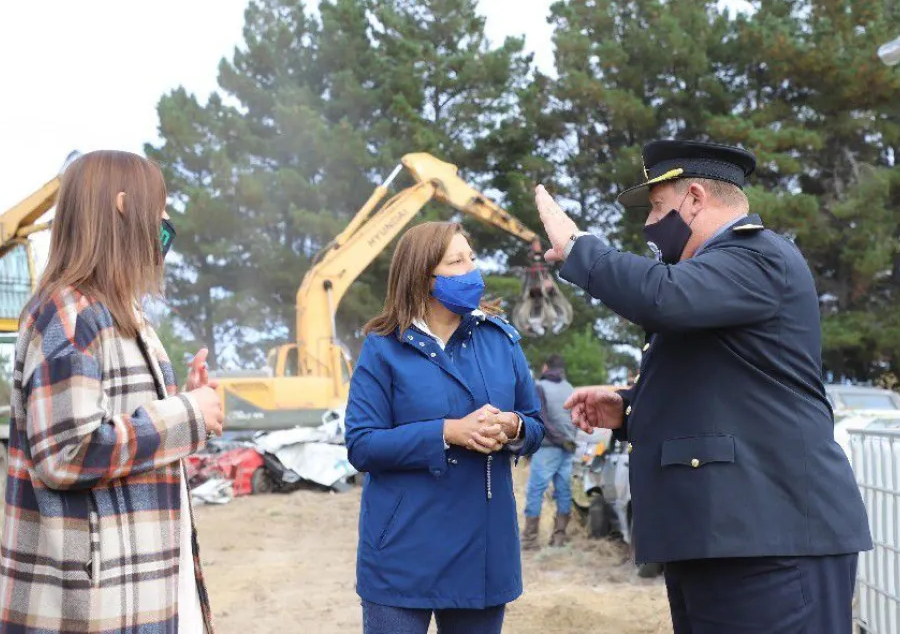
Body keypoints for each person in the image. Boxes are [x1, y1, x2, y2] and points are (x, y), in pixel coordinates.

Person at [534, 139, 872, 634]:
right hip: (726, 537)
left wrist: (581, 249)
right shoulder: (715, 277)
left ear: (694, 197)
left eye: (656, 207)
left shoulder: (757, 257)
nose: (649, 225)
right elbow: (720, 386)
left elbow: (663, 298)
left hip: (771, 544)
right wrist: (628, 409)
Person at [0, 150, 225, 634]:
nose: (166, 227)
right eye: (159, 213)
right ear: (124, 208)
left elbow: (119, 420)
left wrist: (185, 401)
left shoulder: (123, 314)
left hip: (139, 588)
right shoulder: (68, 315)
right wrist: (186, 414)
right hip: (94, 605)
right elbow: (66, 451)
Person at [345, 221, 545, 634]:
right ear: (423, 277)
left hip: (483, 553)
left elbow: (535, 424)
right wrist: (447, 432)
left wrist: (513, 426)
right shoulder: (384, 348)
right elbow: (362, 445)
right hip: (402, 553)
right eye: (456, 261)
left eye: (472, 258)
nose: (472, 270)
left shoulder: (500, 340)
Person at [521, 353, 576, 550]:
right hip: (569, 447)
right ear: (562, 369)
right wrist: (569, 441)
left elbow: (541, 419)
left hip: (548, 447)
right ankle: (559, 538)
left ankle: (529, 540)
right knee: (564, 491)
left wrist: (559, 440)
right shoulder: (570, 388)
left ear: (545, 367)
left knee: (536, 491)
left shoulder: (540, 386)